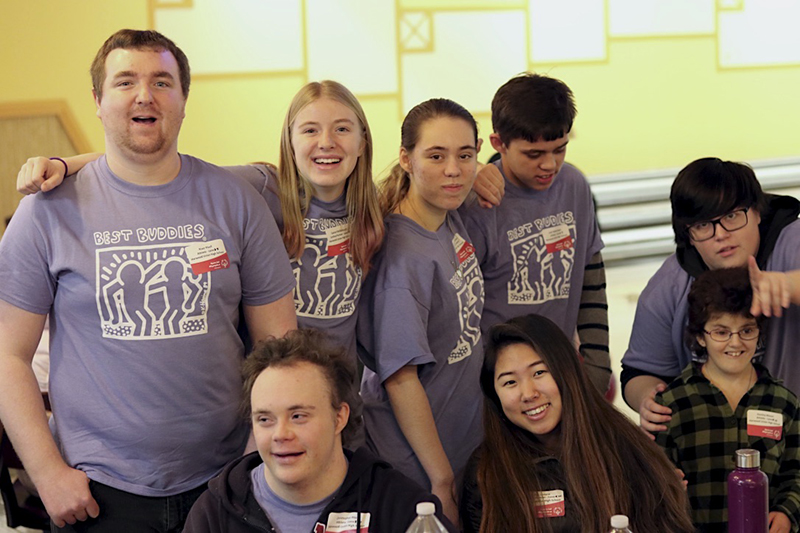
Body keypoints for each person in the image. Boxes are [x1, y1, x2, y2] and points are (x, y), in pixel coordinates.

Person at [0, 29, 297, 531]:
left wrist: (256, 461)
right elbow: (8, 356)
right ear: (97, 100)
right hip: (97, 492)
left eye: (163, 81)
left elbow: (279, 345)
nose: (145, 95)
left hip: (226, 482)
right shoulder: (46, 212)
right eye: (125, 82)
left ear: (183, 99)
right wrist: (48, 474)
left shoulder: (237, 200)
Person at [16, 80, 384, 363]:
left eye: (342, 129)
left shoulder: (372, 213)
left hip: (341, 392)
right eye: (309, 130)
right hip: (276, 390)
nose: (326, 142)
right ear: (289, 140)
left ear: (363, 141)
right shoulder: (260, 186)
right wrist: (65, 165)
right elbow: (152, 168)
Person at [182, 328, 454, 532]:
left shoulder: (399, 508)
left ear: (340, 417)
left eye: (298, 416)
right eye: (265, 419)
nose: (281, 434)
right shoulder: (214, 513)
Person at [357, 98, 484, 525]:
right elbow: (400, 377)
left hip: (460, 442)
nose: (453, 170)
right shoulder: (403, 257)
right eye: (436, 156)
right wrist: (441, 479)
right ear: (406, 160)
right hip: (418, 466)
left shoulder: (445, 218)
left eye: (465, 156)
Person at [460, 313, 694, 533]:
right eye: (510, 382)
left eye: (539, 372)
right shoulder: (487, 472)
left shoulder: (626, 447)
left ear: (567, 373)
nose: (528, 393)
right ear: (495, 395)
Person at [621, 157, 800, 433]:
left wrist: (790, 286)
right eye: (703, 225)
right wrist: (646, 398)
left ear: (757, 212)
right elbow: (638, 372)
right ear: (688, 235)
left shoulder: (792, 243)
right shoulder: (667, 288)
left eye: (731, 216)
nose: (721, 235)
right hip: (712, 441)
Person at [459, 73, 610, 395]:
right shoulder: (477, 203)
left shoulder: (574, 186)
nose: (550, 165)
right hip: (496, 380)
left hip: (560, 370)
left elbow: (591, 277)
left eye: (560, 149)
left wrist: (597, 366)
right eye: (533, 154)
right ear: (498, 144)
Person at [654, 267, 800, 532]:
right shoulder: (671, 403)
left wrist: (786, 511)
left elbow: (796, 473)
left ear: (760, 332)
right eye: (721, 332)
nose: (736, 343)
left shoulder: (784, 402)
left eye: (746, 331)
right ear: (700, 336)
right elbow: (653, 480)